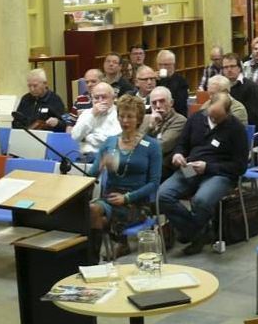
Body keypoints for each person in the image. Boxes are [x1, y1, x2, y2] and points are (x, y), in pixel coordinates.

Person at [159, 93, 248, 255]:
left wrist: (208, 167)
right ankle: (197, 232)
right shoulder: (196, 119)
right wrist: (178, 155)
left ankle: (192, 233)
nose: (213, 120)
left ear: (228, 113)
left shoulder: (236, 129)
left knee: (201, 200)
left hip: (220, 174)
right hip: (191, 168)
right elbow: (182, 144)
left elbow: (240, 166)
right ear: (207, 107)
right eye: (211, 115)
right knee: (163, 194)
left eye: (218, 118)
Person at [87, 94, 162, 259]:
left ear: (139, 119)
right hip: (110, 199)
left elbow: (154, 183)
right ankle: (92, 262)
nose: (125, 121)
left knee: (96, 220)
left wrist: (127, 197)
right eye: (121, 116)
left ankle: (110, 250)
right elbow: (91, 175)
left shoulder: (152, 146)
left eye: (130, 116)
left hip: (136, 203)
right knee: (93, 210)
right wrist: (100, 165)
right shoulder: (109, 142)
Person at [142, 86, 187, 182]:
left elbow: (160, 147)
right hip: (143, 162)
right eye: (154, 103)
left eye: (162, 101)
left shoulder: (179, 120)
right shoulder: (146, 119)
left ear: (171, 103)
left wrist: (142, 143)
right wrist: (150, 126)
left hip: (163, 166)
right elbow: (133, 143)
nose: (158, 106)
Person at [70, 82, 122, 161]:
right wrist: (93, 115)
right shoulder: (86, 113)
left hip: (108, 159)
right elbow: (75, 137)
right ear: (92, 99)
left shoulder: (119, 114)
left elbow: (111, 142)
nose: (100, 101)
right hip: (85, 158)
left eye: (104, 97)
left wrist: (87, 137)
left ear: (113, 98)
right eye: (96, 98)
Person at [13, 68, 67, 132]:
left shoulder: (55, 100)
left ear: (45, 84)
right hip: (25, 135)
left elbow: (64, 125)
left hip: (46, 137)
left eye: (35, 86)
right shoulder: (25, 99)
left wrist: (57, 123)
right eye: (29, 86)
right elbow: (16, 122)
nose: (32, 89)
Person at [221, 53, 258, 128]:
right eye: (226, 67)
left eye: (232, 66)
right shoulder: (221, 88)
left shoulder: (251, 88)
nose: (229, 70)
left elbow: (253, 118)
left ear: (239, 68)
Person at [156, 49, 189, 117]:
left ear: (173, 65)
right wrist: (153, 80)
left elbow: (179, 105)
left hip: (176, 117)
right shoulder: (155, 80)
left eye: (166, 65)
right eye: (160, 64)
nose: (162, 67)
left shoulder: (181, 82)